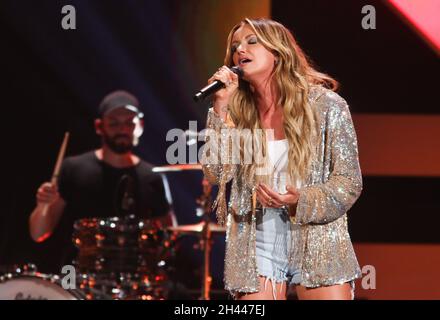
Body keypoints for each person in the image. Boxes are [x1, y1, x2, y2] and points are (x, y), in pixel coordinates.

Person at [202, 18, 362, 300]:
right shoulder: (235, 111)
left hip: (317, 240)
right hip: (256, 242)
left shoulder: (326, 105)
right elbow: (216, 173)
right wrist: (220, 107)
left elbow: (349, 182)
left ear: (278, 51)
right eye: (235, 46)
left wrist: (299, 199)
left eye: (252, 41)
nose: (241, 49)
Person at [29, 90, 175, 268]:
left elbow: (169, 239)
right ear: (99, 127)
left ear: (140, 126)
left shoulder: (153, 176)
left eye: (129, 123)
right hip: (77, 279)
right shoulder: (73, 168)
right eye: (114, 123)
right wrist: (43, 205)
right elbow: (38, 233)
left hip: (134, 282)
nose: (122, 129)